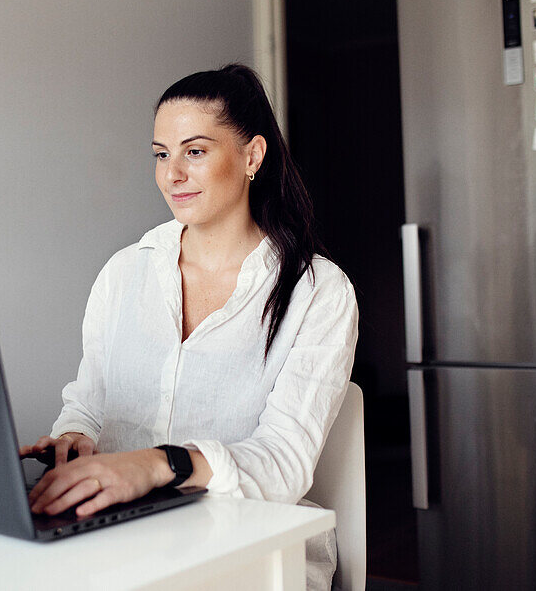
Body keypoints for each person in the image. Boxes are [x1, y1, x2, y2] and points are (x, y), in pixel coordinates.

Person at [20, 64, 358, 590]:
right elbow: (89, 402)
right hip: (122, 538)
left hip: (254, 552)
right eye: (161, 154)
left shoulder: (318, 291)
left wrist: (158, 466)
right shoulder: (124, 272)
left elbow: (285, 463)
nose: (171, 174)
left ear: (252, 156)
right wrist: (74, 438)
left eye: (194, 152)